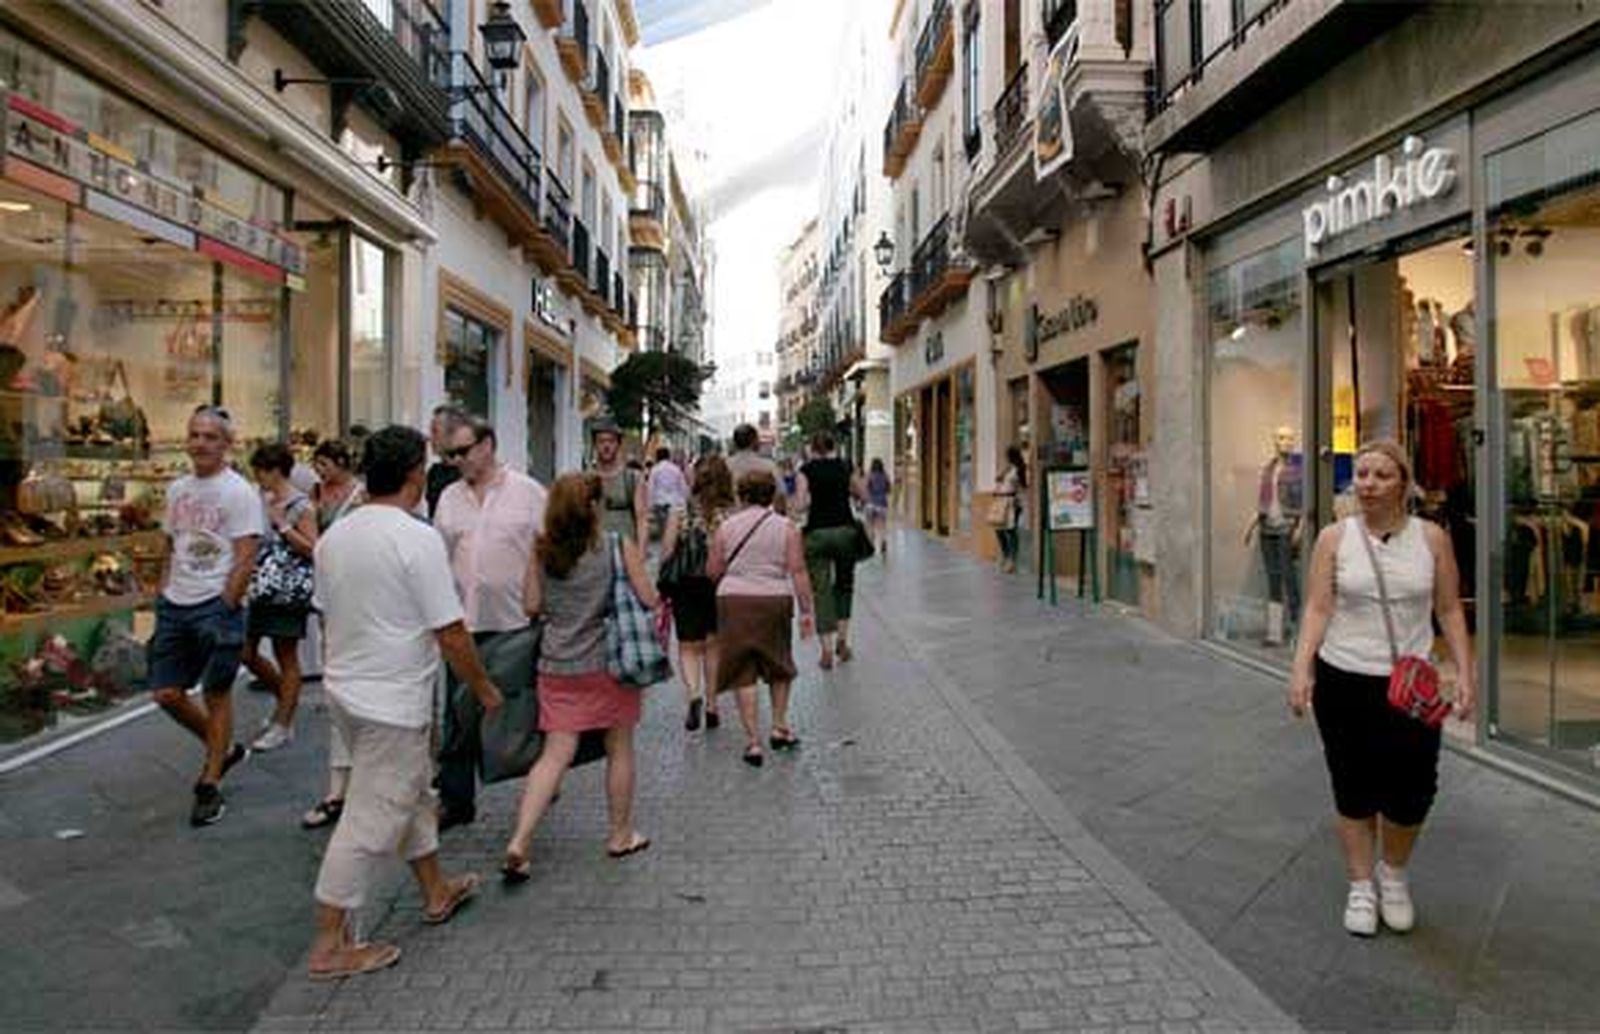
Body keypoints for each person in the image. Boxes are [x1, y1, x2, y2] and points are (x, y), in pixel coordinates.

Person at [306, 425, 502, 980]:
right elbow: (451, 632)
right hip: (392, 700)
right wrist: (485, 689)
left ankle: (436, 890)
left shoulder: (336, 536)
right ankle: (328, 944)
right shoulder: (416, 538)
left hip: (346, 692)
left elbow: (327, 611)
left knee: (410, 793)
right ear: (417, 474)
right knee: (369, 819)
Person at [1288, 439, 1475, 938]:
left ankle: (1393, 874)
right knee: (1352, 783)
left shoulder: (1432, 538)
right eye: (1362, 475)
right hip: (1344, 677)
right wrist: (1301, 668)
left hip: (1412, 683)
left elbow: (1450, 608)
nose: (1367, 484)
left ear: (1404, 484)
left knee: (1414, 788)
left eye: (1381, 476)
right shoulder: (1334, 538)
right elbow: (1318, 608)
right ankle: (1361, 884)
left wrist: (1466, 672)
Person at [501, 473, 658, 881]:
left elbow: (531, 606)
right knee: (619, 747)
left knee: (555, 754)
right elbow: (648, 597)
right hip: (608, 664)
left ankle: (520, 839)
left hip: (557, 664)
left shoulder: (541, 551)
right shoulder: (614, 546)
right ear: (592, 508)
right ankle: (620, 834)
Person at [148, 405, 263, 826]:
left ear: (227, 444)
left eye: (210, 437)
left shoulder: (238, 492)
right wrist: (163, 592)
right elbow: (170, 544)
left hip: (217, 605)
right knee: (166, 693)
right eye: (194, 435)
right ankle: (224, 747)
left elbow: (246, 556)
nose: (200, 443)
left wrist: (225, 607)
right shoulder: (178, 489)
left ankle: (210, 782)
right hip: (176, 604)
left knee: (217, 695)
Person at [432, 415, 547, 831]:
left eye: (463, 451)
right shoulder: (448, 497)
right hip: (463, 624)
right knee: (458, 716)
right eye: (450, 454)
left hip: (517, 621)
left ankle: (541, 781)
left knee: (521, 712)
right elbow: (438, 556)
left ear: (488, 445)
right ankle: (456, 800)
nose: (457, 460)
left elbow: (548, 550)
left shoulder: (529, 492)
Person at [709, 468, 815, 767]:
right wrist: (806, 611)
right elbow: (798, 570)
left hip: (734, 601)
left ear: (741, 495)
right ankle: (780, 727)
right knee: (779, 664)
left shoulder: (726, 528)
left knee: (743, 672)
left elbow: (712, 570)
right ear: (771, 495)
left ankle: (753, 742)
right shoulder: (787, 528)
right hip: (774, 600)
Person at [301, 439, 365, 830]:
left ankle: (357, 790)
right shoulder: (315, 494)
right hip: (331, 601)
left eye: (325, 464)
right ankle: (338, 789)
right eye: (317, 465)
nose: (321, 471)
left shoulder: (362, 498)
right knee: (338, 695)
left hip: (359, 603)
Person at [241, 442, 318, 753]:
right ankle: (284, 703)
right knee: (245, 651)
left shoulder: (301, 505)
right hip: (259, 586)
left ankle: (283, 722)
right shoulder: (259, 500)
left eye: (261, 471)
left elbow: (313, 548)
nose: (258, 478)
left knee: (285, 654)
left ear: (276, 471)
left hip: (287, 589)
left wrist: (283, 525)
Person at [660, 455, 735, 732]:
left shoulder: (679, 510)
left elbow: (667, 550)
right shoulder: (729, 512)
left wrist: (662, 583)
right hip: (718, 583)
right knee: (713, 645)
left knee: (688, 646)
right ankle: (713, 704)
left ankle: (694, 695)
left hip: (686, 584)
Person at [796, 431, 863, 669]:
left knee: (821, 591)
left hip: (817, 534)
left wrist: (815, 498)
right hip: (845, 531)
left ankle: (825, 650)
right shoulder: (845, 466)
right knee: (844, 586)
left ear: (813, 448)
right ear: (834, 446)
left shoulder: (806, 471)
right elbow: (861, 494)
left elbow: (801, 504)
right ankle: (843, 643)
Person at [590, 417, 648, 544]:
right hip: (595, 552)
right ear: (595, 444)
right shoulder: (586, 479)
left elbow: (642, 519)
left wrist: (641, 556)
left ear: (618, 444)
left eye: (611, 441)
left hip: (626, 552)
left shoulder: (633, 478)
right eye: (601, 441)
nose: (606, 446)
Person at [727, 423, 786, 515]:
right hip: (763, 520)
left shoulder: (725, 466)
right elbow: (781, 494)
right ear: (754, 441)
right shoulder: (768, 466)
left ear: (735, 443)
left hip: (731, 519)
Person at [424, 404, 465, 519]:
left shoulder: (469, 475)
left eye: (435, 432)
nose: (429, 437)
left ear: (453, 434)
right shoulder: (434, 472)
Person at [646, 446, 689, 544]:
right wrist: (684, 502)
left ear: (657, 457)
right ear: (668, 456)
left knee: (663, 532)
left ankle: (665, 550)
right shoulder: (676, 469)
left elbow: (650, 488)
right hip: (674, 504)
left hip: (659, 504)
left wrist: (649, 506)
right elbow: (683, 487)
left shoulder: (655, 470)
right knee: (674, 531)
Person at [995, 446, 1028, 574]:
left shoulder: (1019, 469)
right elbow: (999, 481)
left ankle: (1013, 560)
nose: (1006, 457)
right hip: (1001, 500)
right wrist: (1002, 475)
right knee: (998, 529)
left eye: (1007, 455)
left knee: (1011, 529)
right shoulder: (1008, 468)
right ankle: (1006, 554)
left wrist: (1017, 498)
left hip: (1013, 502)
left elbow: (1023, 487)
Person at [865, 457, 891, 557]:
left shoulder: (870, 476)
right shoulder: (885, 476)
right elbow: (889, 489)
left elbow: (867, 488)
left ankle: (871, 545)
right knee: (882, 526)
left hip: (871, 503)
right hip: (882, 504)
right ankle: (883, 541)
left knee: (870, 526)